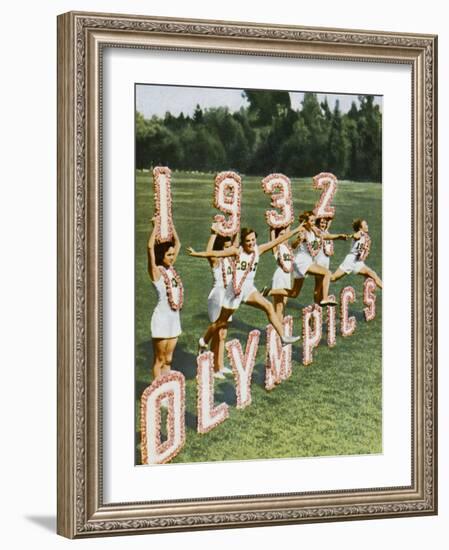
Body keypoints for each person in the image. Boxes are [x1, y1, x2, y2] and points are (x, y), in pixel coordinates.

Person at [187, 225, 302, 354]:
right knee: (221, 322)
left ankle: (283, 337)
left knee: (268, 306)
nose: (251, 243)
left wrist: (296, 230)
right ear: (243, 242)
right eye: (248, 241)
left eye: (253, 240)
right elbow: (215, 253)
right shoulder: (237, 251)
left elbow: (277, 241)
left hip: (249, 289)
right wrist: (196, 253)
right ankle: (203, 341)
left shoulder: (259, 250)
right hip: (234, 290)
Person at [189, 223, 237, 379]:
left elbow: (236, 245)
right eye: (226, 247)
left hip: (228, 296)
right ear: (220, 247)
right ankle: (203, 343)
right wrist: (213, 233)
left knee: (223, 333)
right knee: (217, 330)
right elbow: (209, 251)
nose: (229, 249)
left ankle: (219, 366)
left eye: (230, 247)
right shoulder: (216, 259)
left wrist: (234, 227)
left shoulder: (230, 259)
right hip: (218, 296)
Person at [268, 211, 340, 306]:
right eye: (312, 221)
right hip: (302, 262)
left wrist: (340, 236)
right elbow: (293, 246)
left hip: (301, 264)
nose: (314, 222)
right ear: (306, 222)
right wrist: (298, 240)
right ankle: (325, 298)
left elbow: (325, 235)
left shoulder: (314, 231)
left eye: (314, 220)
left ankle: (269, 291)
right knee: (327, 272)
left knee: (294, 293)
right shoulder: (303, 232)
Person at [147, 217, 183, 380]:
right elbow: (149, 247)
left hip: (174, 318)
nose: (172, 257)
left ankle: (166, 391)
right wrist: (155, 227)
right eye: (169, 255)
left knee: (168, 359)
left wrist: (171, 224)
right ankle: (156, 393)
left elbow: (178, 243)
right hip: (161, 318)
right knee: (159, 359)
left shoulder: (171, 268)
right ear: (161, 256)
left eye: (173, 254)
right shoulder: (156, 272)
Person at [331, 219, 383, 289]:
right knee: (333, 278)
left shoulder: (365, 236)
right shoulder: (360, 233)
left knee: (371, 273)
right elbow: (356, 236)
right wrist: (352, 236)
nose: (367, 226)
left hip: (358, 262)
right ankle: (323, 277)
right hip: (351, 260)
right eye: (365, 225)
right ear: (360, 228)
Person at [313, 216, 348, 302]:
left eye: (325, 223)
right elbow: (325, 235)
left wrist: (328, 213)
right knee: (318, 284)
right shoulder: (317, 232)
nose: (323, 224)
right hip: (319, 261)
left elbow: (331, 218)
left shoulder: (325, 230)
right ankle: (317, 304)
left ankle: (319, 304)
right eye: (321, 223)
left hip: (326, 261)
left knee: (322, 284)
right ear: (317, 223)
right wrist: (339, 236)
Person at [268, 226, 294, 321]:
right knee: (278, 306)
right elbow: (272, 238)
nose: (284, 236)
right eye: (281, 235)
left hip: (287, 278)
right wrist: (272, 228)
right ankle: (277, 331)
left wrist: (288, 221)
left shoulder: (288, 247)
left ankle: (279, 330)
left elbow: (288, 232)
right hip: (279, 277)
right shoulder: (277, 247)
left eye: (284, 234)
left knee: (283, 307)